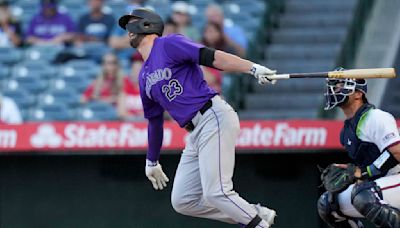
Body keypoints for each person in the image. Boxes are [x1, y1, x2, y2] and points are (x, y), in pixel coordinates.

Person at [118, 8, 278, 228]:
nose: (128, 28)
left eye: (132, 22)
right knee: (183, 200)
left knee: (217, 192)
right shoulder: (144, 75)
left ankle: (257, 224)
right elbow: (154, 121)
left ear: (147, 25)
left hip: (212, 115)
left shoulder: (168, 44)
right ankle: (254, 214)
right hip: (194, 133)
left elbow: (211, 57)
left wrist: (251, 68)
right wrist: (151, 160)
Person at [317, 73, 400, 227]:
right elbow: (369, 168)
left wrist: (363, 172)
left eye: (341, 86)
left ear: (358, 94)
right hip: (383, 182)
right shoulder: (346, 131)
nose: (335, 89)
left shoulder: (376, 117)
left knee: (364, 195)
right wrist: (354, 171)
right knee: (328, 204)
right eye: (335, 86)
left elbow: (397, 152)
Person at [81, 53, 141, 120]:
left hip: (116, 117)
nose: (110, 66)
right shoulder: (97, 83)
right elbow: (83, 100)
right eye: (106, 63)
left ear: (117, 65)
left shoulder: (124, 81)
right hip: (99, 115)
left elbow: (132, 96)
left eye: (113, 63)